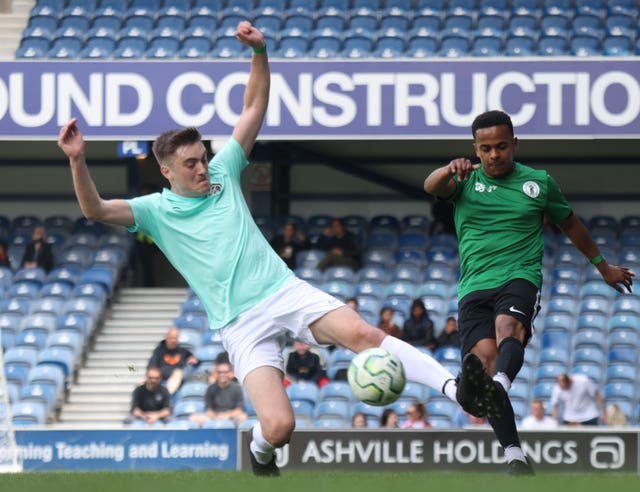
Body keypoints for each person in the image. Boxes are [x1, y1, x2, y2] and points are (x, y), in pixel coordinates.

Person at [59, 21, 463, 478]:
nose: (201, 167)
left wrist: (260, 52)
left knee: (364, 335)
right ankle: (261, 450)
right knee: (280, 426)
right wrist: (77, 159)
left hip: (282, 290)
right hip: (238, 322)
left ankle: (454, 388)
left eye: (202, 157)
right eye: (190, 163)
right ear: (167, 171)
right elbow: (95, 209)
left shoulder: (225, 172)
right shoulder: (153, 210)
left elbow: (253, 106)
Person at [424, 109, 633, 476]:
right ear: (475, 148)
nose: (493, 155)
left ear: (514, 144)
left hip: (519, 277)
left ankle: (499, 386)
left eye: (501, 146)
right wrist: (447, 169)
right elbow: (431, 187)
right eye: (485, 148)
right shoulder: (464, 180)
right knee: (484, 363)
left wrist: (603, 266)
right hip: (473, 287)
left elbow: (570, 224)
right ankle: (515, 457)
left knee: (508, 329)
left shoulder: (539, 183)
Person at [189, 359, 248, 426]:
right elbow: (208, 410)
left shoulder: (236, 388)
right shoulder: (211, 389)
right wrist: (216, 417)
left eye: (225, 372)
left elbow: (239, 409)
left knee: (243, 417)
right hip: (215, 417)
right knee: (194, 417)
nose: (222, 374)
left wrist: (227, 415)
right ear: (216, 373)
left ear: (230, 373)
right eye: (220, 372)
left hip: (231, 417)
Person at [148, 326, 200, 395]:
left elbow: (196, 361)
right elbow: (152, 365)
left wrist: (193, 360)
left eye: (175, 338)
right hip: (160, 376)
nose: (173, 340)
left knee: (178, 372)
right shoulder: (159, 350)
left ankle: (166, 395)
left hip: (176, 377)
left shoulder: (182, 351)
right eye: (171, 338)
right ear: (167, 337)